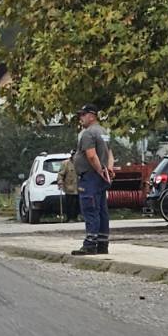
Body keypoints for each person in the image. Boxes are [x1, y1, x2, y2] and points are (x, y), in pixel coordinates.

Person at [71, 103, 113, 255]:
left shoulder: (88, 133)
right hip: (100, 177)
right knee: (102, 209)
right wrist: (108, 169)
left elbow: (91, 155)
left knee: (90, 208)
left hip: (90, 176)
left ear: (92, 115)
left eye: (83, 115)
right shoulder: (104, 132)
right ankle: (102, 244)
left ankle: (90, 243)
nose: (80, 118)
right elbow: (109, 153)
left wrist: (99, 170)